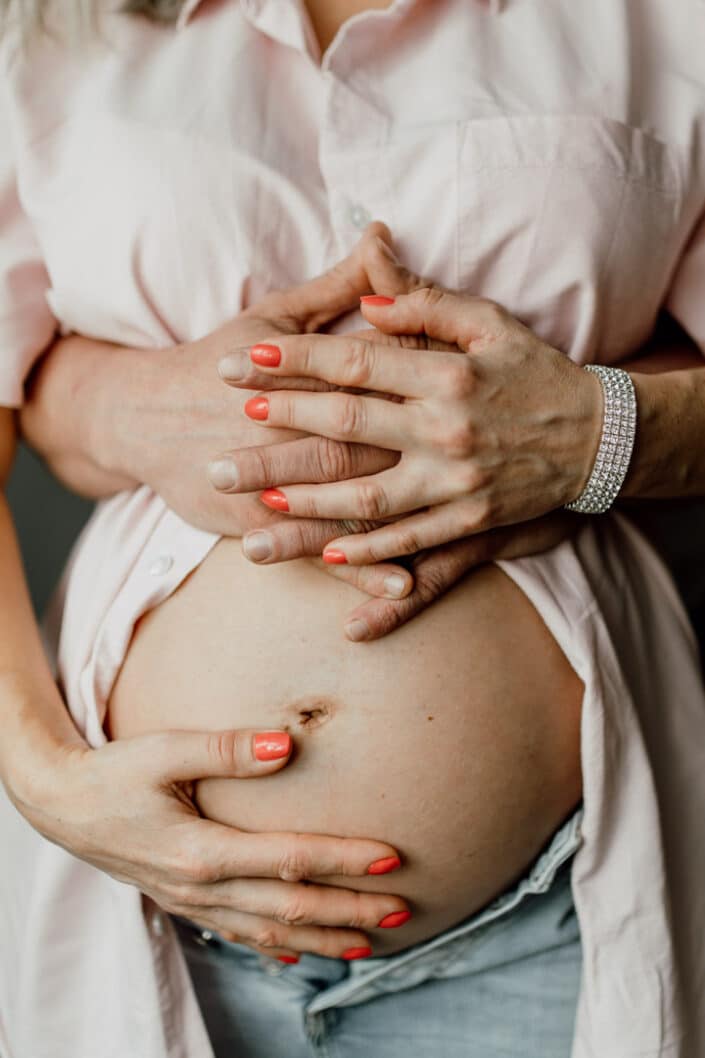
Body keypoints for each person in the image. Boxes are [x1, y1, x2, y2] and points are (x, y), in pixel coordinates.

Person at [1, 1, 705, 1056]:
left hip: (548, 927)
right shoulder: (41, 27)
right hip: (141, 905)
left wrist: (593, 432)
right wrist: (41, 771)